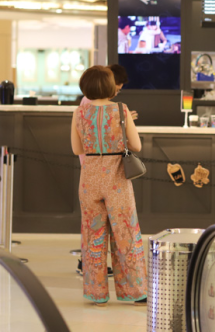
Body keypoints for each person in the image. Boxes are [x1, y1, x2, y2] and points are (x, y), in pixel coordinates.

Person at [71, 66, 147, 306]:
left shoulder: (79, 113)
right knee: (125, 233)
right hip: (116, 180)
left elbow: (77, 149)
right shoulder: (121, 110)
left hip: (89, 180)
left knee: (92, 235)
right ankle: (135, 291)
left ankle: (96, 294)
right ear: (109, 86)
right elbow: (136, 146)